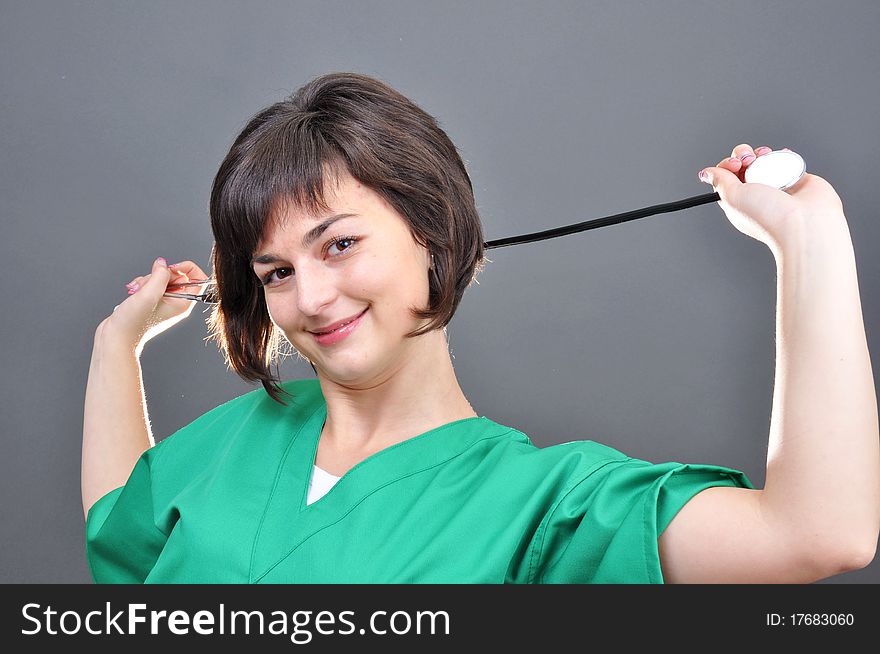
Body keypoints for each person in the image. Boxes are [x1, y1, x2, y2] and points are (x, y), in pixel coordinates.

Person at [81, 72, 879, 584]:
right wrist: (116, 344)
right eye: (277, 272)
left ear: (430, 233)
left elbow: (817, 534)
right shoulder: (233, 441)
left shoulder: (543, 508)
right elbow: (117, 529)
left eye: (340, 244)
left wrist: (810, 239)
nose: (313, 296)